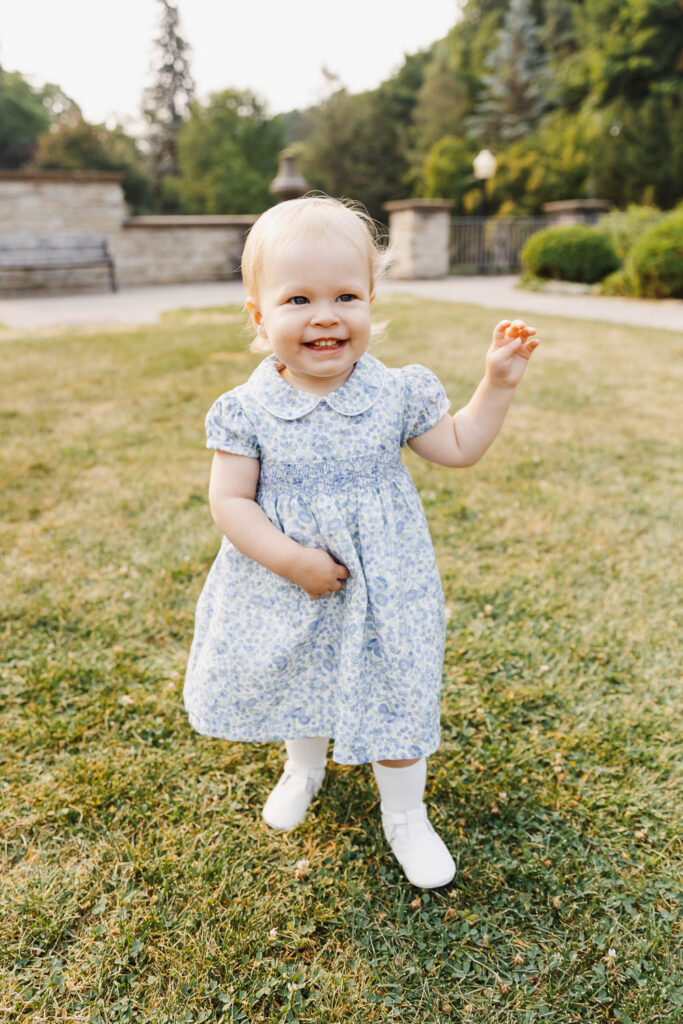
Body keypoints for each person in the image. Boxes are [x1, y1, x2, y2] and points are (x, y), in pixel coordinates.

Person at [184, 195, 539, 889]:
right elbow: (228, 501)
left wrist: (495, 384)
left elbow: (460, 446)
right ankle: (304, 765)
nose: (325, 315)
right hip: (290, 580)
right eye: (298, 299)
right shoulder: (248, 409)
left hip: (386, 583)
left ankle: (405, 813)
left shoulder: (394, 394)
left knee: (395, 683)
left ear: (371, 302)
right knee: (301, 669)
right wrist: (293, 561)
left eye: (346, 294)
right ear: (260, 316)